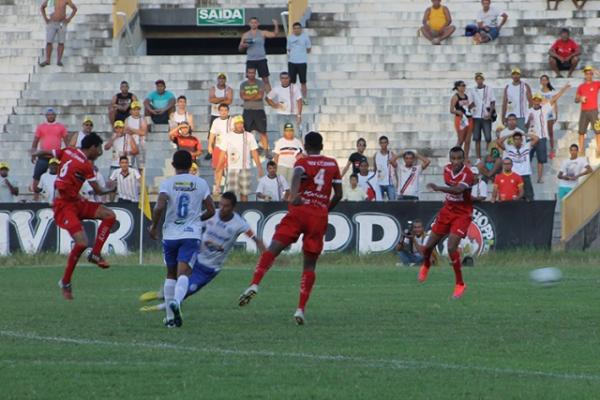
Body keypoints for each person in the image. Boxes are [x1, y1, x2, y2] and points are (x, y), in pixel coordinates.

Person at [238, 131, 343, 325]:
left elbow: (296, 174)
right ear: (321, 146)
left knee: (274, 248)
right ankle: (300, 309)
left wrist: (294, 194)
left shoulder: (302, 162)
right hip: (318, 215)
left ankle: (255, 283)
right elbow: (338, 194)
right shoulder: (332, 164)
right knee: (310, 265)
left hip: (300, 210)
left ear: (306, 146)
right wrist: (324, 209)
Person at [139, 192, 265, 313]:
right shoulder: (211, 214)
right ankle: (160, 296)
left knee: (187, 290)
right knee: (178, 284)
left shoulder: (239, 224)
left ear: (233, 207)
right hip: (195, 258)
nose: (222, 208)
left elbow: (256, 239)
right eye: (220, 204)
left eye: (226, 206)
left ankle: (159, 307)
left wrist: (266, 256)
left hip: (210, 268)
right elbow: (192, 224)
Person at [31, 133, 117, 300]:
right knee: (82, 242)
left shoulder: (69, 150)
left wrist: (36, 152)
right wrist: (111, 188)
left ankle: (95, 254)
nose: (100, 152)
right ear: (92, 147)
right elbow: (99, 191)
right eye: (99, 148)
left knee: (109, 215)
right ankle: (65, 281)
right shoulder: (85, 165)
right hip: (64, 206)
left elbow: (50, 153)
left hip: (76, 201)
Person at [148, 150, 215, 328]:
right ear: (191, 164)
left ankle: (170, 319)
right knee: (184, 273)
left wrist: (154, 226)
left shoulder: (168, 183)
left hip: (170, 234)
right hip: (190, 234)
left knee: (171, 274)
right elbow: (211, 210)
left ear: (173, 165)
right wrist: (196, 219)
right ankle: (177, 301)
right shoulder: (200, 183)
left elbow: (159, 207)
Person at [419, 147, 474, 299]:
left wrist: (438, 188)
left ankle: (460, 284)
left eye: (459, 159)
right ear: (450, 159)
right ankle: (427, 264)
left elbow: (457, 190)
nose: (456, 162)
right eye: (453, 158)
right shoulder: (447, 170)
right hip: (447, 210)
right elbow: (452, 186)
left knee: (451, 247)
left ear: (463, 159)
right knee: (428, 246)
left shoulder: (468, 174)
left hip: (462, 213)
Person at [214, 115, 264, 201]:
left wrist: (259, 167)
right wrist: (218, 168)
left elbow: (254, 152)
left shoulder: (249, 136)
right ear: (234, 125)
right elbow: (222, 154)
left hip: (245, 168)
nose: (240, 125)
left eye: (241, 123)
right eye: (237, 123)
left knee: (244, 194)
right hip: (232, 169)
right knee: (231, 195)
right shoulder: (227, 136)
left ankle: (243, 212)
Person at [526, 87, 569, 183]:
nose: (536, 102)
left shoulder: (544, 109)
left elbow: (554, 99)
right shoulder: (528, 111)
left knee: (540, 160)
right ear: (532, 101)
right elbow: (526, 125)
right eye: (535, 100)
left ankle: (539, 178)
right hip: (531, 138)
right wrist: (529, 120)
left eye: (538, 100)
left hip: (542, 138)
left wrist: (563, 90)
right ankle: (526, 178)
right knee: (527, 158)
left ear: (540, 101)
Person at [30, 108, 68, 199]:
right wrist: (33, 153)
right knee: (37, 176)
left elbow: (67, 141)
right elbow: (35, 141)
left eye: (52, 114)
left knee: (61, 176)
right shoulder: (41, 127)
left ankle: (62, 196)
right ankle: (36, 197)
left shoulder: (61, 127)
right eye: (49, 114)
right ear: (46, 116)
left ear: (55, 115)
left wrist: (68, 153)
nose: (50, 116)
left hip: (56, 156)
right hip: (43, 156)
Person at [239, 17, 279, 93]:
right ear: (249, 24)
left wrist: (276, 25)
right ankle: (251, 97)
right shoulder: (245, 35)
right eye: (252, 22)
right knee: (250, 80)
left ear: (258, 24)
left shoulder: (262, 33)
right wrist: (243, 46)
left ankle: (270, 99)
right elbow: (240, 48)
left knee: (266, 80)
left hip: (261, 59)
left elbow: (274, 34)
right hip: (251, 59)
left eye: (255, 22)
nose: (253, 24)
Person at [496, 131, 538, 201]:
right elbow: (499, 142)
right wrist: (510, 134)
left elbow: (536, 138)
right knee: (515, 196)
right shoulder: (509, 148)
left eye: (519, 139)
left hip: (525, 174)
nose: (517, 141)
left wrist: (524, 134)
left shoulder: (527, 146)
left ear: (521, 140)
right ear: (513, 140)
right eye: (515, 139)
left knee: (529, 197)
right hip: (514, 175)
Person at [240, 67, 269, 156]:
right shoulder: (243, 84)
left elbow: (260, 96)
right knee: (246, 133)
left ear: (255, 73)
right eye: (250, 72)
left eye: (253, 72)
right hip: (247, 111)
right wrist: (254, 95)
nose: (251, 74)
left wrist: (249, 97)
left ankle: (266, 151)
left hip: (259, 110)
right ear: (247, 73)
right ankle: (247, 151)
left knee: (263, 132)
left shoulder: (260, 83)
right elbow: (243, 97)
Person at [39, 0, 77, 67]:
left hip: (62, 23)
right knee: (49, 42)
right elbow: (42, 7)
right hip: (52, 22)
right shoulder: (51, 0)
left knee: (61, 42)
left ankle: (59, 60)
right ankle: (47, 60)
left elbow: (74, 8)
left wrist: (69, 19)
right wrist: (45, 18)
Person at [469, 72, 496, 159]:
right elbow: (471, 102)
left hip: (486, 116)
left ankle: (488, 156)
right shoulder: (472, 90)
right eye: (477, 78)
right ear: (475, 80)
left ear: (483, 79)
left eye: (481, 78)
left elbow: (492, 101)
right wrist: (472, 107)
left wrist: (490, 113)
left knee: (488, 137)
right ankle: (478, 158)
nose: (479, 80)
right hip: (476, 116)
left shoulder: (489, 89)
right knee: (477, 138)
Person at [576, 66, 600, 157]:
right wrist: (580, 98)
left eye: (590, 73)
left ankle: (599, 149)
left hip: (594, 111)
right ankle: (581, 150)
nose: (588, 75)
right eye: (586, 73)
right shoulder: (581, 87)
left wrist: (596, 71)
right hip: (584, 111)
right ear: (584, 75)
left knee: (598, 131)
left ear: (592, 74)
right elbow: (576, 99)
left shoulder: (596, 84)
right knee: (581, 132)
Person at [207, 73, 233, 153]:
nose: (221, 80)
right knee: (212, 133)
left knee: (226, 132)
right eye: (220, 78)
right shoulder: (213, 88)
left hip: (225, 114)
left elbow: (229, 101)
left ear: (225, 80)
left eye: (223, 78)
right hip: (215, 114)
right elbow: (211, 100)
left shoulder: (229, 89)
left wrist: (217, 99)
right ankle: (210, 151)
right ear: (218, 79)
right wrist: (223, 98)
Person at [208, 104, 232, 184]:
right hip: (218, 147)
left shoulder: (232, 121)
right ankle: (217, 186)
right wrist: (209, 146)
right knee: (218, 168)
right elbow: (212, 134)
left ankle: (228, 186)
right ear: (219, 111)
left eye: (225, 110)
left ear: (228, 111)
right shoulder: (216, 121)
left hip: (230, 148)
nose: (223, 112)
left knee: (229, 168)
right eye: (221, 110)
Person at [287, 22, 311, 101]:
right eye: (295, 28)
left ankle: (305, 99)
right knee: (291, 82)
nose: (297, 30)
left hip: (302, 63)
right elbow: (289, 49)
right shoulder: (290, 38)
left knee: (303, 82)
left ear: (301, 29)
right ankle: (292, 99)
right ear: (293, 29)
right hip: (292, 62)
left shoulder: (305, 38)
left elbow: (308, 49)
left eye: (298, 28)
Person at [450, 80, 474, 159]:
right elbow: (451, 110)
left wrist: (471, 106)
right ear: (457, 87)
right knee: (460, 140)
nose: (463, 87)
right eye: (461, 85)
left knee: (468, 140)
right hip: (460, 119)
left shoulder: (466, 96)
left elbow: (466, 108)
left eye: (464, 85)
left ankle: (466, 158)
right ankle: (455, 157)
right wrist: (458, 112)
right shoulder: (455, 96)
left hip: (468, 118)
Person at [540, 75, 559, 160]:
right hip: (541, 115)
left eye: (545, 80)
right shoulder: (539, 92)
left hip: (550, 115)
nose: (544, 82)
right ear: (540, 82)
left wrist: (556, 114)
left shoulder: (552, 92)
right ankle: (542, 150)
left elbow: (555, 103)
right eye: (542, 80)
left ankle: (552, 150)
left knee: (550, 133)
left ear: (548, 81)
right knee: (542, 133)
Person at [124, 101, 148, 169]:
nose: (136, 111)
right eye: (134, 109)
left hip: (140, 144)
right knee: (128, 166)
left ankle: (141, 179)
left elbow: (143, 132)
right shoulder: (127, 119)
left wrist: (132, 129)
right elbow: (126, 131)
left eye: (137, 109)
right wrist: (137, 131)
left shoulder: (142, 119)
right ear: (131, 110)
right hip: (129, 144)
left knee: (141, 167)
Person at [373, 135, 396, 201]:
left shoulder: (392, 154)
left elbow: (395, 167)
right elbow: (375, 170)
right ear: (379, 144)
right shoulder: (376, 155)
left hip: (390, 183)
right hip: (379, 183)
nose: (383, 144)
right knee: (379, 204)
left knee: (393, 203)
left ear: (387, 143)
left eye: (385, 142)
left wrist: (391, 162)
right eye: (382, 143)